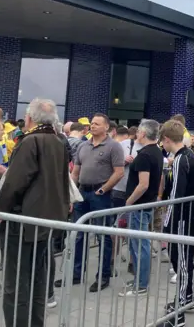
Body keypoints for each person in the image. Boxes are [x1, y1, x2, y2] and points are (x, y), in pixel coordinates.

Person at [0, 98, 70, 327]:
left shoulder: (30, 141)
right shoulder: (59, 141)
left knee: (16, 284)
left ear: (29, 118)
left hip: (23, 222)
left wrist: (2, 213)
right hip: (46, 220)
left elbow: (14, 183)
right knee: (38, 280)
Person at [63, 113, 124, 293]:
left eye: (97, 124)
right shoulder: (83, 146)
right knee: (79, 234)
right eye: (92, 123)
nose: (93, 126)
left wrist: (103, 189)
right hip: (82, 193)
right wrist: (71, 193)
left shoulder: (114, 147)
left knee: (102, 235)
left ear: (106, 127)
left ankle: (103, 276)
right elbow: (75, 172)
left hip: (101, 195)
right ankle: (76, 273)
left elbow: (119, 172)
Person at [159, 119, 194, 326]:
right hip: (188, 215)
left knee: (181, 259)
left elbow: (176, 197)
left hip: (182, 218)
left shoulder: (180, 160)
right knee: (182, 258)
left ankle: (182, 305)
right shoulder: (189, 155)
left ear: (167, 139)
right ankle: (188, 297)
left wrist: (168, 222)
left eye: (163, 141)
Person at [119, 119, 163, 297]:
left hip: (139, 205)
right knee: (139, 243)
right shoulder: (156, 152)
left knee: (139, 244)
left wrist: (129, 201)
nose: (136, 135)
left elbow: (143, 184)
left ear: (143, 134)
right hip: (145, 204)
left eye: (139, 132)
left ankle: (141, 284)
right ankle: (139, 279)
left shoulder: (145, 154)